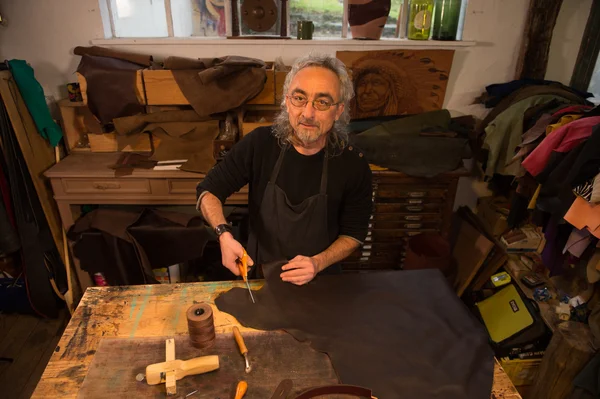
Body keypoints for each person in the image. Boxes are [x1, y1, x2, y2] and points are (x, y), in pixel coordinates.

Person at [196, 53, 372, 285]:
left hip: (321, 279)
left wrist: (317, 263)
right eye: (300, 98)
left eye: (322, 102)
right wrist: (224, 234)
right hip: (261, 276)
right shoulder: (259, 145)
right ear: (287, 101)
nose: (308, 113)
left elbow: (354, 234)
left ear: (338, 110)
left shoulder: (353, 163)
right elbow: (209, 191)